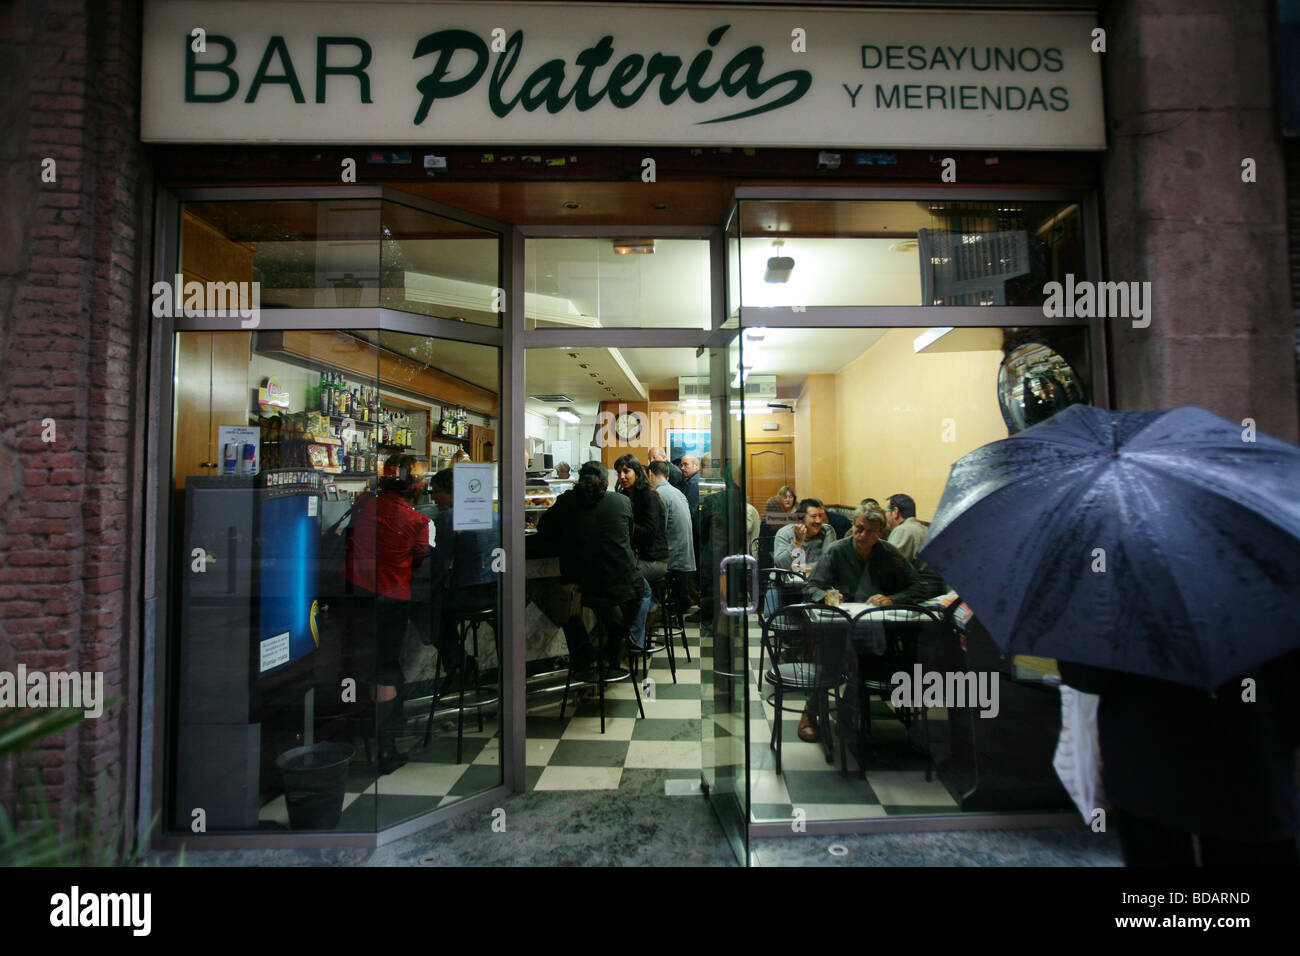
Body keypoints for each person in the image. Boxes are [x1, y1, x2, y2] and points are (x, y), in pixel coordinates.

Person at [1057, 652, 1300, 867]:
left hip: (1146, 770)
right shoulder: (1272, 603)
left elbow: (1083, 675)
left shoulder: (1121, 604)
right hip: (1251, 769)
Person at [798, 504, 928, 743]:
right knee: (828, 660)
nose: (862, 536)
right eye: (859, 528)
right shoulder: (837, 551)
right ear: (853, 525)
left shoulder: (888, 553)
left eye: (870, 531)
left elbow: (919, 586)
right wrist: (826, 596)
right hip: (838, 628)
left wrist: (892, 599)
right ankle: (811, 712)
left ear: (880, 533)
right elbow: (811, 586)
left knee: (867, 665)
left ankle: (848, 713)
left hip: (875, 630)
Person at [343, 454, 435, 774]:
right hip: (392, 599)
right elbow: (420, 559)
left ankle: (363, 740)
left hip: (357, 596)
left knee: (368, 665)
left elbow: (348, 539)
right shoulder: (417, 522)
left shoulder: (365, 507)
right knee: (386, 667)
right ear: (414, 489)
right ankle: (385, 748)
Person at [535, 460, 646, 672]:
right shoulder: (621, 502)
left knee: (555, 598)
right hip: (624, 584)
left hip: (583, 585)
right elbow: (629, 535)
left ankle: (583, 652)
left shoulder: (567, 502)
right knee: (610, 603)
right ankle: (613, 648)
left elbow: (544, 529)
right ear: (606, 481)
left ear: (579, 480)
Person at [428, 468, 498, 694]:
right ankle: (506, 676)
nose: (433, 497)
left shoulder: (449, 517)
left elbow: (440, 561)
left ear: (451, 492)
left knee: (430, 610)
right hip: (497, 593)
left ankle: (459, 663)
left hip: (469, 596)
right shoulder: (492, 511)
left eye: (436, 491)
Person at [614, 454, 668, 648]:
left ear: (637, 472)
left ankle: (633, 639)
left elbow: (649, 534)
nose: (622, 476)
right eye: (618, 472)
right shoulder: (628, 496)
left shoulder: (647, 496)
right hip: (641, 558)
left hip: (655, 561)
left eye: (626, 471)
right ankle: (646, 611)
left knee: (624, 578)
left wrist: (624, 525)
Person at [649, 459, 695, 613]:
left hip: (672, 556)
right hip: (683, 552)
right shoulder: (677, 492)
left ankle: (654, 612)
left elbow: (657, 529)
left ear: (650, 474)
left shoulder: (659, 493)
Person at [773, 498, 837, 572]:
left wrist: (801, 568)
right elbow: (781, 566)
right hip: (788, 581)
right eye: (814, 516)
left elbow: (828, 563)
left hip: (817, 580)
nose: (818, 521)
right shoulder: (784, 533)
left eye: (820, 516)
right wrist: (797, 543)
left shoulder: (827, 531)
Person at [883, 493, 927, 562]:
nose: (884, 516)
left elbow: (888, 564)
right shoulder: (924, 529)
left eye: (885, 512)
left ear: (895, 512)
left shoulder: (902, 530)